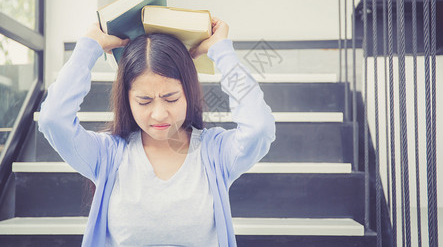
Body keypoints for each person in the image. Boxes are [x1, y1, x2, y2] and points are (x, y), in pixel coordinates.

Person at [38, 17, 276, 246]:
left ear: (189, 93)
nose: (159, 114)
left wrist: (221, 51)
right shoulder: (107, 155)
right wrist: (88, 47)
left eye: (171, 98)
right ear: (127, 100)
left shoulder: (215, 153)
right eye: (144, 101)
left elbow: (259, 128)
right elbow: (53, 119)